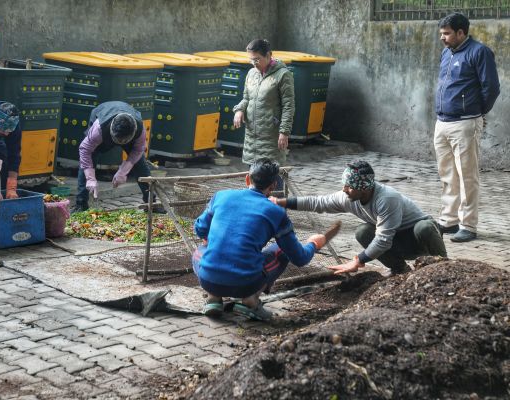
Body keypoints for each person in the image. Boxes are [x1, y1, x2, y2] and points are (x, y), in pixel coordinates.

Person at [192, 158, 326, 321]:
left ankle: (213, 297)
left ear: (247, 178)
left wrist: (210, 239)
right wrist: (314, 244)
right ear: (273, 186)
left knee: (199, 251)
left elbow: (200, 229)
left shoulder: (221, 196)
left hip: (208, 280)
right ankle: (250, 300)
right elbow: (299, 258)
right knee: (282, 250)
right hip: (246, 283)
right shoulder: (276, 212)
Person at [271, 160, 447, 276]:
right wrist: (281, 202)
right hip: (397, 240)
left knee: (424, 227)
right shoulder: (348, 196)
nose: (344, 189)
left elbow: (383, 240)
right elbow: (318, 202)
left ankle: (445, 268)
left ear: (364, 188)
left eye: (349, 186)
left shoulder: (387, 199)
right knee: (363, 232)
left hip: (418, 238)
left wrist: (358, 260)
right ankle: (400, 270)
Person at [434, 12, 500, 242]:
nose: (442, 38)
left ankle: (468, 225)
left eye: (447, 33)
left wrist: (477, 112)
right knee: (447, 175)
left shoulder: (479, 52)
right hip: (442, 122)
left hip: (465, 123)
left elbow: (491, 88)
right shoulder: (446, 52)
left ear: (461, 32)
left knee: (467, 176)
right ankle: (449, 221)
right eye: (441, 33)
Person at [233, 39, 295, 188]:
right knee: (254, 179)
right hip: (252, 136)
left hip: (271, 136)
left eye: (257, 59)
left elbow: (289, 106)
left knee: (273, 176)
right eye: (251, 60)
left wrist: (284, 131)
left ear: (269, 55)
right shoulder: (251, 74)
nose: (254, 63)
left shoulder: (282, 75)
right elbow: (247, 98)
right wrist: (239, 110)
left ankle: (278, 207)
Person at [74, 101, 154, 212]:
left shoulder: (140, 130)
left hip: (126, 131)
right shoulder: (98, 128)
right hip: (104, 121)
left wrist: (123, 171)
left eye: (123, 141)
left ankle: (151, 203)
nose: (119, 143)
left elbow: (138, 150)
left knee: (140, 164)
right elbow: (85, 150)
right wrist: (90, 178)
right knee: (88, 161)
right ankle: (81, 204)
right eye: (118, 140)